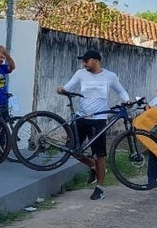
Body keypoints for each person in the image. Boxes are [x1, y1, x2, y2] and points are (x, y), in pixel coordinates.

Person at [56, 49, 130, 200]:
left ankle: (100, 188)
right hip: (81, 117)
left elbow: (121, 91)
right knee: (73, 150)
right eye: (83, 61)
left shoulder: (110, 76)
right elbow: (68, 87)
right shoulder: (80, 74)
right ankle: (93, 166)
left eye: (86, 61)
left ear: (96, 60)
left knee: (100, 155)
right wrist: (61, 89)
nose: (84, 64)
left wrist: (127, 100)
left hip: (99, 120)